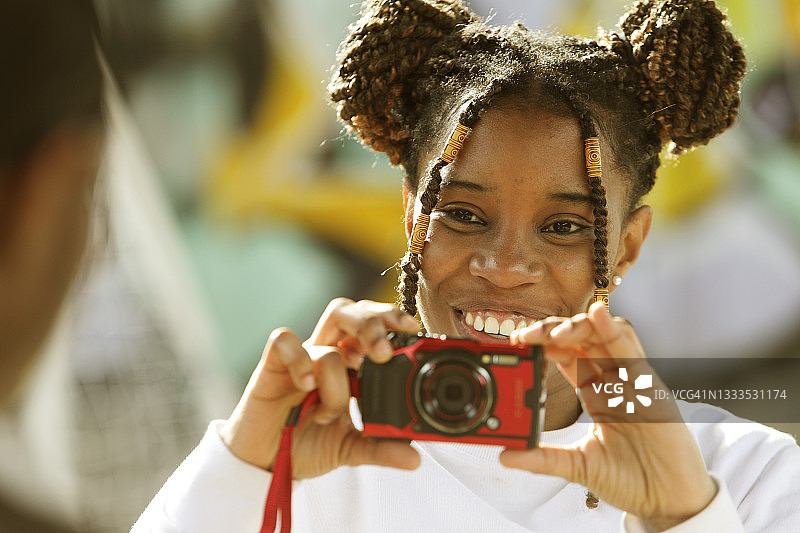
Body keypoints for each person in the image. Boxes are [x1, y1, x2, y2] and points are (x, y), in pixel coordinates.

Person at [133, 0, 800, 531]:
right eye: (462, 214)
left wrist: (683, 516)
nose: (505, 265)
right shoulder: (296, 463)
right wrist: (242, 470)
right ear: (409, 212)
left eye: (564, 227)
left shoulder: (743, 477)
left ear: (627, 246)